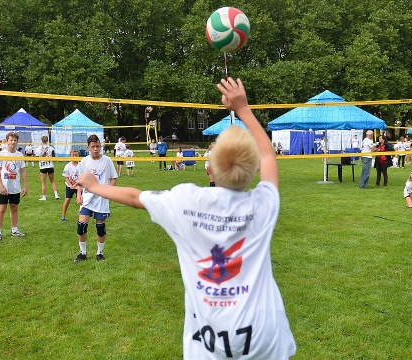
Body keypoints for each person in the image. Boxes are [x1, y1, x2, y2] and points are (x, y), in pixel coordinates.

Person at [75, 77, 296, 359]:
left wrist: (93, 186)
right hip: (264, 338)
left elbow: (134, 197)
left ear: (209, 170)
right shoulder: (263, 204)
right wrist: (243, 108)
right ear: (252, 173)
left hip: (208, 343)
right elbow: (268, 156)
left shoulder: (183, 201)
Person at [74, 134, 118, 263]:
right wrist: (79, 194)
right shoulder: (84, 162)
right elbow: (80, 181)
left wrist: (108, 191)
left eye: (98, 146)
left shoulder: (107, 161)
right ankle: (83, 253)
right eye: (93, 146)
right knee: (81, 226)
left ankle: (100, 253)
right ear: (88, 147)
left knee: (100, 228)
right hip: (87, 199)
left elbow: (114, 178)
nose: (96, 149)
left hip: (101, 199)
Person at [0, 132, 28, 241]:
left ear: (17, 142)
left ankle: (14, 230)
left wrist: (25, 185)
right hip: (3, 187)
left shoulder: (20, 155)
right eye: (11, 140)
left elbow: (23, 171)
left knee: (14, 207)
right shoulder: (1, 154)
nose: (13, 142)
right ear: (7, 141)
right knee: (2, 209)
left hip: (15, 187)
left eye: (15, 140)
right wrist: (1, 185)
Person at [36, 135, 60, 200]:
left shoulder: (38, 149)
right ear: (47, 140)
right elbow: (54, 157)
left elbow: (37, 158)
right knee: (52, 181)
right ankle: (56, 195)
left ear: (41, 140)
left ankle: (44, 197)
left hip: (43, 166)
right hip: (50, 166)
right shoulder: (51, 148)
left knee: (43, 183)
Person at [60, 149, 81, 222]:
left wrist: (75, 184)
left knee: (81, 201)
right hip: (70, 186)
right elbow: (66, 177)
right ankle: (63, 216)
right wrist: (70, 185)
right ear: (70, 156)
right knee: (67, 200)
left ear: (79, 156)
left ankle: (82, 216)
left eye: (76, 155)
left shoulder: (81, 165)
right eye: (73, 155)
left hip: (79, 186)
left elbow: (82, 178)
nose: (75, 156)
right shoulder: (68, 166)